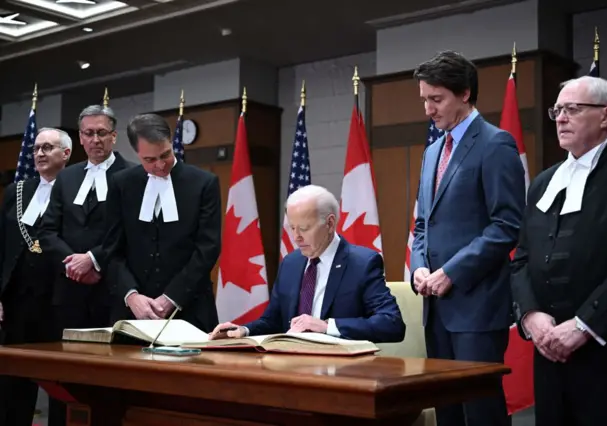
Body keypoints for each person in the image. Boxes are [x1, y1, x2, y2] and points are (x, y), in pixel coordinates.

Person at [511, 76, 607, 426]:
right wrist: (531, 316)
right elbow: (522, 257)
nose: (561, 118)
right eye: (557, 110)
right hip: (549, 349)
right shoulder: (543, 181)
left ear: (606, 115)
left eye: (573, 109)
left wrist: (584, 326)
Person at [410, 51, 525, 426]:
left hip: (477, 308)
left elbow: (506, 225)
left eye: (436, 99)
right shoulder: (431, 153)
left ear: (465, 93)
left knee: (481, 412)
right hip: (436, 309)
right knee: (447, 410)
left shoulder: (496, 144)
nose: (428, 108)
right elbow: (423, 224)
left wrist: (451, 272)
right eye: (424, 98)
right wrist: (420, 266)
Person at [209, 184, 405, 343]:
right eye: (292, 228)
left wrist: (327, 326)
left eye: (304, 228)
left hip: (343, 371)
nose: (296, 237)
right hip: (292, 366)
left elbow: (391, 324)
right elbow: (273, 321)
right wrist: (243, 330)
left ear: (329, 223)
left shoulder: (362, 263)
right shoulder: (291, 263)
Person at [95, 113, 220, 332]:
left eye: (165, 155)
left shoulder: (203, 183)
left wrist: (172, 296)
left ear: (171, 142)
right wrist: (131, 296)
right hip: (132, 311)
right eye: (150, 160)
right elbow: (111, 249)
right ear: (137, 153)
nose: (160, 166)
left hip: (190, 308)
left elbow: (207, 248)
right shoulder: (122, 184)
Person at [39, 105, 132, 332]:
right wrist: (74, 264)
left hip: (111, 286)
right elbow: (47, 231)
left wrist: (93, 259)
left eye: (101, 133)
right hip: (70, 288)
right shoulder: (66, 177)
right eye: (88, 133)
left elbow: (129, 232)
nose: (95, 139)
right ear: (80, 138)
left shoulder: (132, 176)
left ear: (114, 136)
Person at [0, 128, 70, 426]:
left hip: (58, 302)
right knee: (12, 385)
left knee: (61, 383)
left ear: (65, 154)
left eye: (48, 148)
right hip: (17, 301)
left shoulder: (77, 190)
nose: (40, 153)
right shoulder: (16, 191)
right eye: (37, 148)